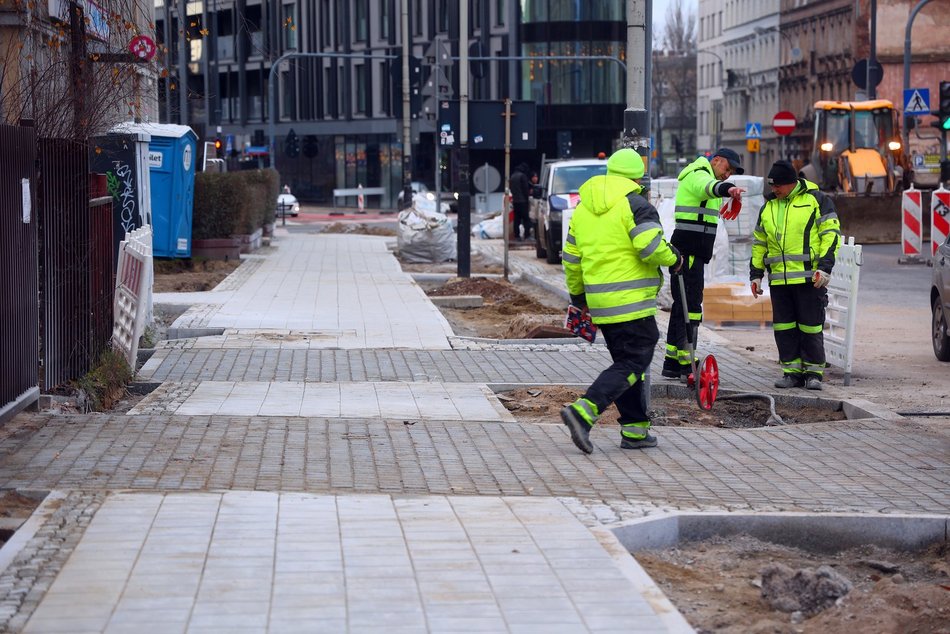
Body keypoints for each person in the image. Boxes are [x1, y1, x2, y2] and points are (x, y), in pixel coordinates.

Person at [560, 148, 683, 454]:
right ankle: (584, 410)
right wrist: (675, 257)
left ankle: (635, 430)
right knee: (634, 360)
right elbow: (650, 248)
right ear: (637, 179)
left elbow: (571, 260)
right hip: (632, 302)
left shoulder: (583, 208)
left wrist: (579, 298)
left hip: (601, 303)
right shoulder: (636, 204)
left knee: (627, 365)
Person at [750, 160, 841, 390]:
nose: (774, 190)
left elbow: (831, 235)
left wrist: (825, 267)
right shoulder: (768, 207)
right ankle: (791, 372)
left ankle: (813, 374)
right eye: (772, 186)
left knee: (810, 326)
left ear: (791, 183)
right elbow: (760, 243)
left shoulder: (816, 200)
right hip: (779, 280)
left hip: (809, 278)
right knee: (784, 328)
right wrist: (756, 274)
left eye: (778, 186)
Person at [662, 148, 745, 380]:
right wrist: (729, 190)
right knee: (690, 308)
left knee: (682, 307)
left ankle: (672, 361)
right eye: (726, 169)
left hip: (691, 252)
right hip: (687, 253)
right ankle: (686, 362)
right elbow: (708, 187)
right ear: (715, 161)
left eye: (731, 173)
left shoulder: (704, 176)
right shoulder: (698, 174)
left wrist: (726, 197)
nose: (727, 175)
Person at [509, 162, 532, 241]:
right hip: (523, 201)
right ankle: (527, 235)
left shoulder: (512, 176)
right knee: (526, 219)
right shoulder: (522, 176)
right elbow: (525, 189)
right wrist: (527, 198)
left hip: (515, 201)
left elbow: (511, 189)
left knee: (517, 220)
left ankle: (517, 236)